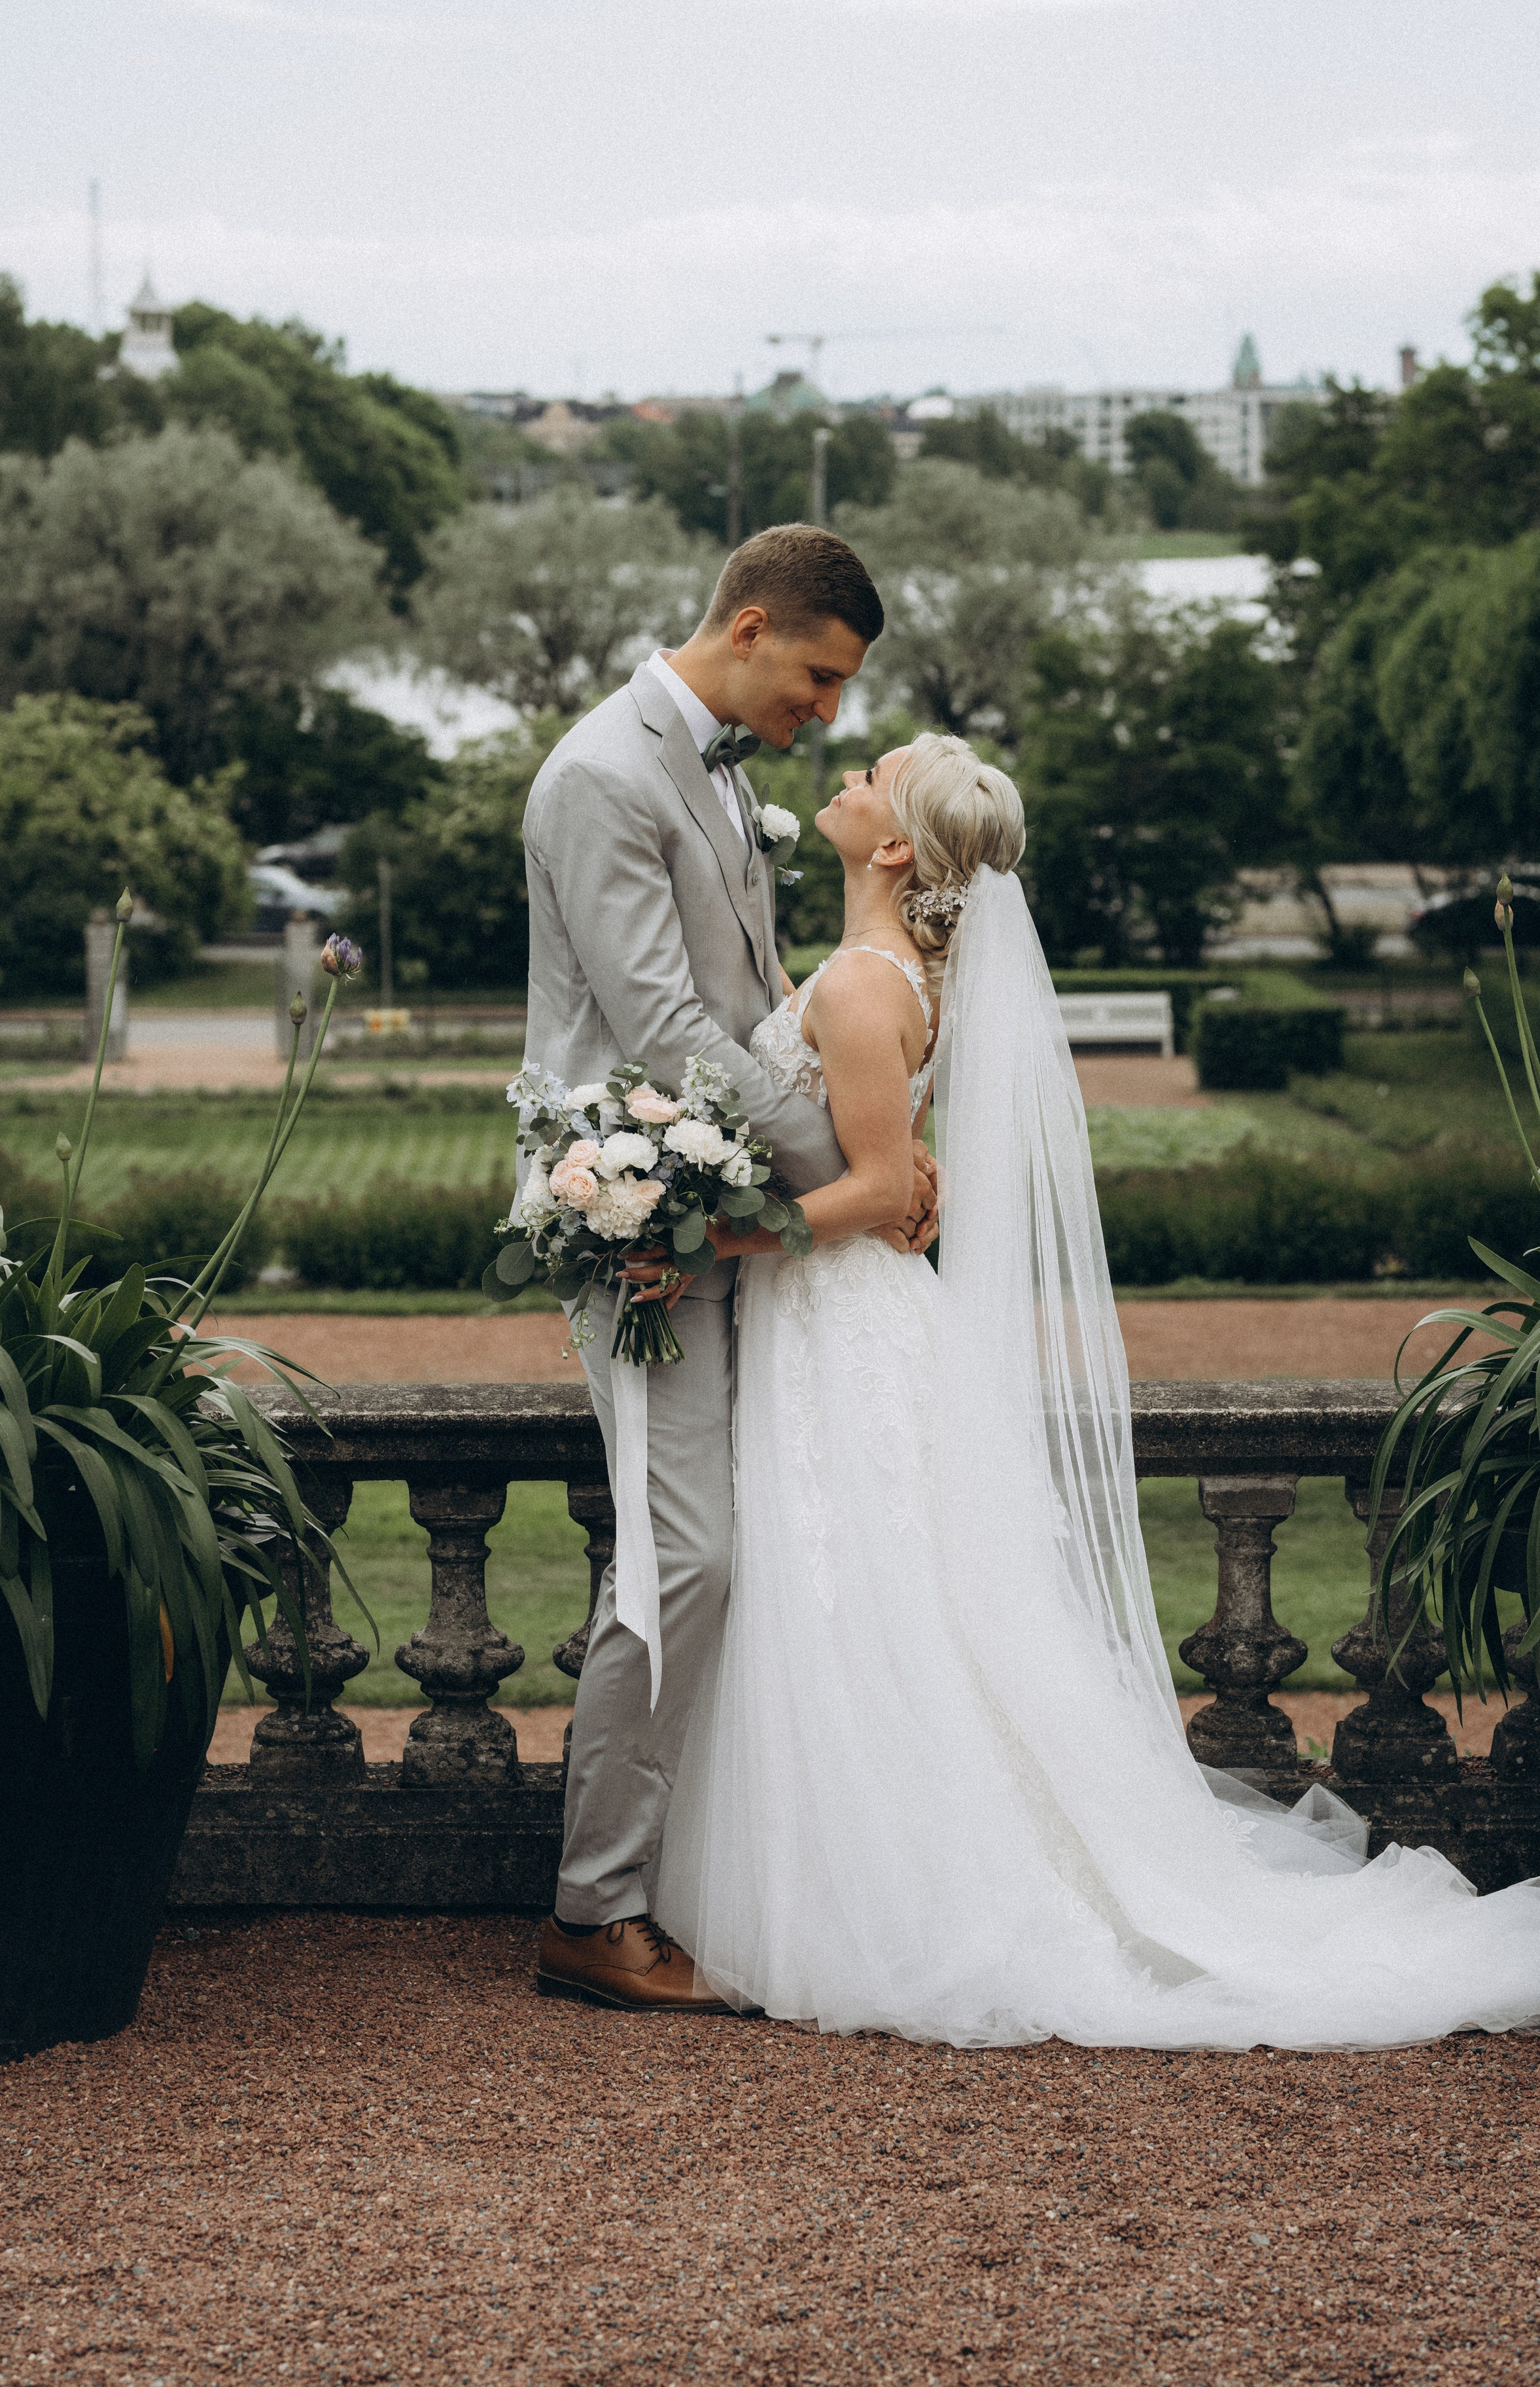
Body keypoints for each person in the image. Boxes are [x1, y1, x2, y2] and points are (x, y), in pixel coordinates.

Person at [651, 732, 1540, 2049]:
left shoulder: (857, 983)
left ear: (894, 845)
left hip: (839, 1324)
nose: (844, 778)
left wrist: (704, 1232)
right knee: (889, 1595)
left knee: (862, 1586)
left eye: (870, 778)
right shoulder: (879, 972)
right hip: (856, 1318)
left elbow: (886, 1189)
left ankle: (897, 1891)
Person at [523, 525, 936, 2011]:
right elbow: (660, 1035)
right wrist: (856, 1168)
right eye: (817, 679)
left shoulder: (723, 775)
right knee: (683, 1551)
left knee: (771, 1539)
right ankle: (592, 1910)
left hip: (728, 1202)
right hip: (634, 1219)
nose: (827, 713)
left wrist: (872, 1146)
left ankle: (709, 1875)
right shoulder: (598, 776)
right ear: (751, 628)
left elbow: (752, 1002)